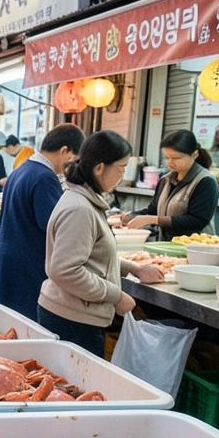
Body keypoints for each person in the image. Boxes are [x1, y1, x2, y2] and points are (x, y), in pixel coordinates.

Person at [38, 131, 164, 355]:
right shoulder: (80, 209)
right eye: (121, 167)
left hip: (76, 314)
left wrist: (135, 268)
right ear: (99, 168)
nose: (123, 175)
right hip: (71, 318)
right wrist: (115, 296)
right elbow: (64, 270)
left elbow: (94, 258)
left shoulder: (87, 201)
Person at [0, 124, 86, 318]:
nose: (72, 165)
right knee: (24, 328)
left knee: (4, 324)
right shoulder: (44, 178)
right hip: (26, 265)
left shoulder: (21, 170)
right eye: (74, 158)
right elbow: (52, 224)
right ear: (64, 151)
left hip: (6, 259)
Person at [120, 129, 219, 240]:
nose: (170, 162)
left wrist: (154, 219)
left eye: (176, 158)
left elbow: (197, 221)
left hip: (195, 248)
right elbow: (153, 210)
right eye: (167, 157)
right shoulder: (165, 180)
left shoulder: (205, 181)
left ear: (194, 154)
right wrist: (130, 216)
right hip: (165, 246)